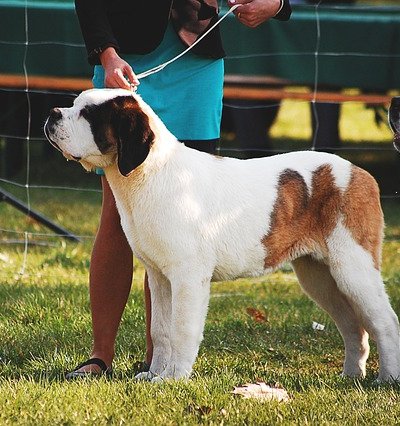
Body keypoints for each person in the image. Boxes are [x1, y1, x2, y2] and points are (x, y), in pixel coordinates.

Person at [67, 0, 292, 378]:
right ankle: (100, 355)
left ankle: (162, 359)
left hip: (197, 66)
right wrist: (105, 55)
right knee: (118, 214)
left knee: (181, 219)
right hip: (121, 64)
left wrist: (278, 4)